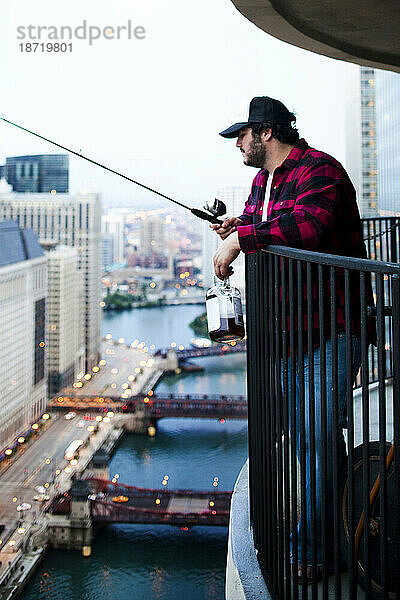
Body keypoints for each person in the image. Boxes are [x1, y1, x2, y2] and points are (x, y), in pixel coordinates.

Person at [211, 96, 372, 583]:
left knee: (314, 440)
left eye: (242, 135)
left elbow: (310, 225)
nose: (237, 144)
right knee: (311, 443)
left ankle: (314, 549)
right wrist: (237, 225)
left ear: (267, 133)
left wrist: (242, 238)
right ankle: (342, 522)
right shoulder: (264, 182)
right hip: (287, 336)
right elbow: (264, 223)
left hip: (331, 328)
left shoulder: (321, 170)